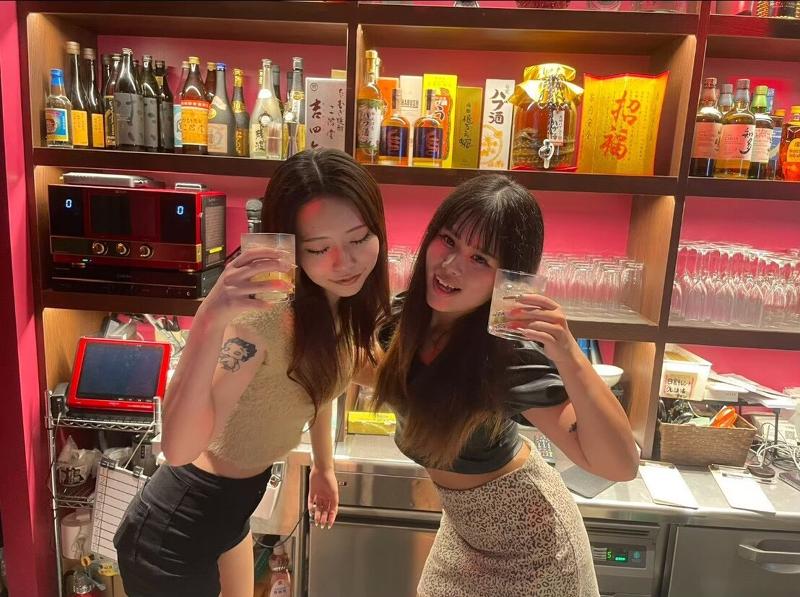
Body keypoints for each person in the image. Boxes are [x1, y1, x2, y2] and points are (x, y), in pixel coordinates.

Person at [114, 148, 390, 597]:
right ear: (292, 247)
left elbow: (323, 381)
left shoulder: (335, 304)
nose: (345, 262)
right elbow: (179, 448)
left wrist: (323, 467)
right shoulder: (263, 318)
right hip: (173, 534)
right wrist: (210, 318)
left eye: (359, 239)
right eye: (319, 248)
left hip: (230, 516)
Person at [373, 174, 639, 597]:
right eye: (448, 240)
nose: (451, 265)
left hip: (535, 552)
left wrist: (569, 354)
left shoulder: (505, 355)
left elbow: (619, 466)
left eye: (480, 258)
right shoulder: (403, 321)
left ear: (509, 278)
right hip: (463, 534)